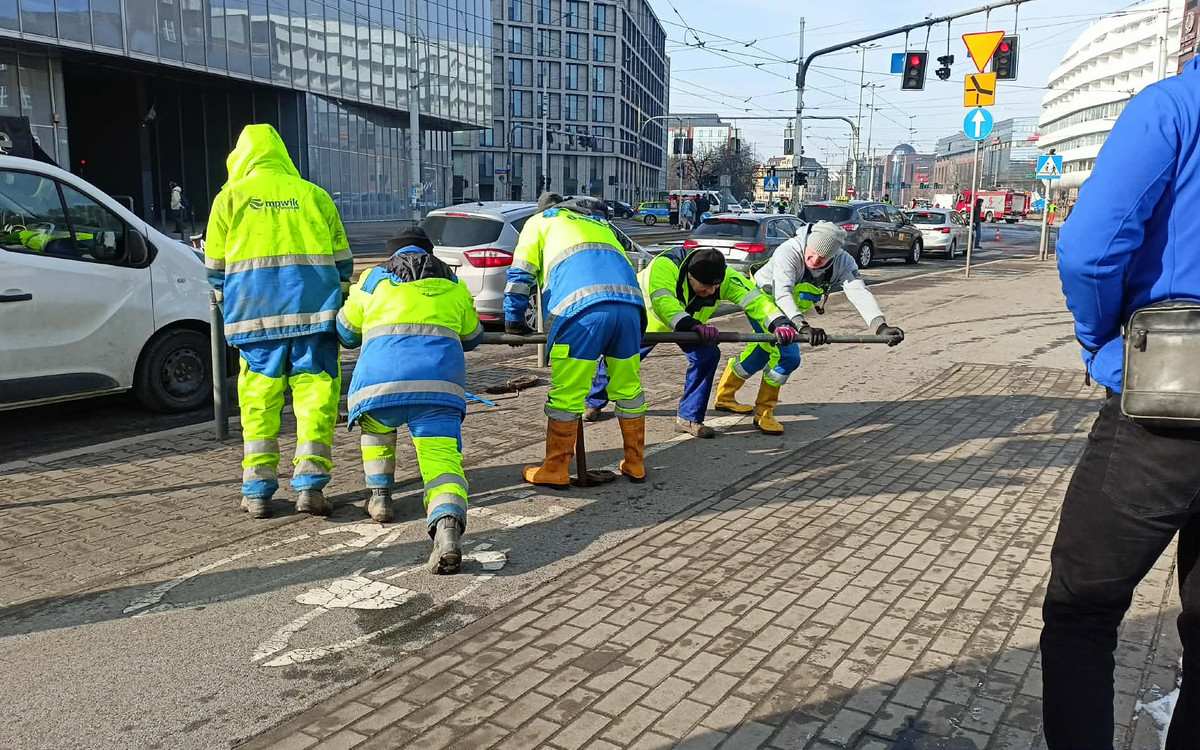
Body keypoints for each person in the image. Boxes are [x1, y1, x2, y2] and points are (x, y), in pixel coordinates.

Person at [1042, 56, 1200, 749]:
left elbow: (1088, 249)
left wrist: (1102, 339)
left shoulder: (1172, 107)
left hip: (1170, 402)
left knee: (1083, 610)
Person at [205, 124, 352, 519]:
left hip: (254, 322)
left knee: (257, 403)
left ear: (241, 158)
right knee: (316, 400)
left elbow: (216, 268)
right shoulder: (314, 196)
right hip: (314, 318)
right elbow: (343, 262)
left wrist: (227, 301)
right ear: (283, 156)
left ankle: (257, 492)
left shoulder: (229, 199)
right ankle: (310, 486)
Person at [336, 227, 482, 574]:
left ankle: (380, 498)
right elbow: (473, 336)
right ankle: (446, 527)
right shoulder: (453, 284)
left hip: (379, 385)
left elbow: (345, 331)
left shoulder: (373, 280)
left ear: (393, 254)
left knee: (376, 433)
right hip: (438, 387)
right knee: (442, 463)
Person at [504, 193, 647, 486]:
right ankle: (635, 464)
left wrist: (514, 319)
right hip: (630, 310)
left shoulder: (539, 222)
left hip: (581, 312)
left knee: (568, 394)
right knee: (629, 390)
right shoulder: (600, 225)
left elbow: (521, 274)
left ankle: (556, 469)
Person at [587, 247, 797, 438]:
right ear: (689, 276)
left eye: (715, 287)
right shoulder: (664, 266)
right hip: (647, 320)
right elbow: (663, 303)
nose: (712, 292)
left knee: (708, 355)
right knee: (618, 358)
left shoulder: (721, 277)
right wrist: (691, 324)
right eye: (705, 287)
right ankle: (594, 402)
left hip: (691, 326)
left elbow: (756, 300)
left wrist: (779, 322)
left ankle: (689, 418)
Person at [715, 221, 903, 433]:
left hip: (789, 311)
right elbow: (783, 293)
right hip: (764, 302)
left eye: (822, 259)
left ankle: (725, 396)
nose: (814, 261)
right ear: (807, 244)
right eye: (811, 254)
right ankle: (764, 413)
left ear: (833, 256)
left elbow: (859, 292)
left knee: (763, 350)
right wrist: (801, 326)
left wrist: (880, 325)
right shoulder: (788, 252)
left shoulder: (843, 262)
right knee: (788, 356)